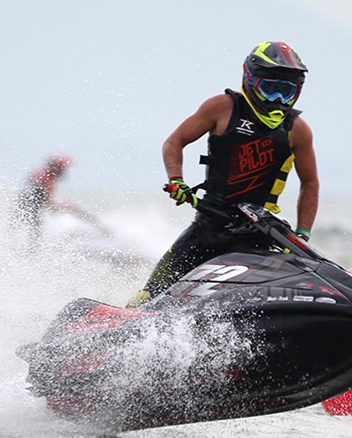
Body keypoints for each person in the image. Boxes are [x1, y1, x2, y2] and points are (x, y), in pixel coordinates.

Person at [127, 41, 320, 307]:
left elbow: (309, 184)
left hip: (259, 235)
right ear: (250, 80)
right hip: (208, 228)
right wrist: (176, 180)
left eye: (286, 93)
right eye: (270, 89)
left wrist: (301, 234)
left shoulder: (297, 130)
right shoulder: (221, 108)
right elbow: (174, 142)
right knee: (148, 296)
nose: (277, 100)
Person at [11, 154, 77, 248]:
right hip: (31, 204)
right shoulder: (48, 178)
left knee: (15, 225)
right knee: (35, 229)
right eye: (63, 168)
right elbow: (47, 199)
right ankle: (32, 251)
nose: (65, 172)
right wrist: (62, 207)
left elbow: (45, 196)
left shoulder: (38, 174)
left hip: (22, 202)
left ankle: (8, 244)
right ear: (57, 169)